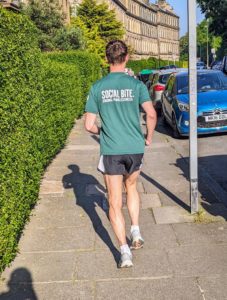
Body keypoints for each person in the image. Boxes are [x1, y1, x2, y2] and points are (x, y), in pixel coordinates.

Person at [84, 40, 157, 268]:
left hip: (112, 150)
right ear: (126, 58)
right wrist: (148, 137)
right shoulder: (136, 86)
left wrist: (103, 131)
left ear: (107, 59)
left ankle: (124, 252)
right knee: (132, 188)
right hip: (135, 148)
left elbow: (88, 125)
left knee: (114, 202)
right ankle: (135, 231)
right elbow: (151, 114)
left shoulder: (97, 87)